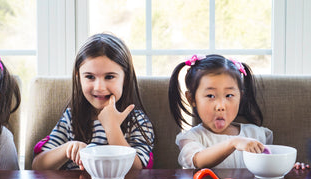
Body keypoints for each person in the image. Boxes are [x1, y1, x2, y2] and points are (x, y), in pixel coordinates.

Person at [32, 33, 155, 170]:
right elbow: (38, 166)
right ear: (79, 78)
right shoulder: (71, 118)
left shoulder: (137, 121)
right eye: (90, 77)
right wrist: (67, 148)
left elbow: (136, 170)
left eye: (109, 77)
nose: (99, 87)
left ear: (125, 78)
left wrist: (112, 127)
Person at [169, 54, 309, 169]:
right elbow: (198, 160)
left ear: (240, 97)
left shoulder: (256, 134)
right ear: (191, 99)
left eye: (229, 96)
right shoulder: (191, 138)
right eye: (210, 96)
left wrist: (290, 168)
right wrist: (233, 143)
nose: (220, 106)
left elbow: (268, 165)